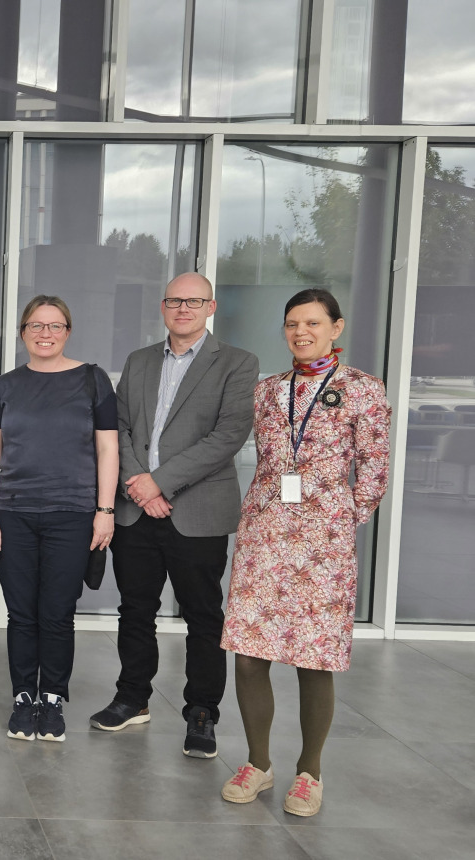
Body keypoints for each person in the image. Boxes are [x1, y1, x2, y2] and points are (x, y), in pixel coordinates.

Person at [220, 288, 391, 817]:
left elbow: (375, 468)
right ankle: (258, 764)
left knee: (314, 658)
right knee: (249, 654)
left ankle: (309, 772)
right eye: (293, 323)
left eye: (313, 323)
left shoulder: (362, 389)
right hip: (264, 537)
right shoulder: (268, 390)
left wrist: (339, 521)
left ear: (335, 328)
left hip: (324, 545)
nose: (301, 332)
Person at [88, 272, 258, 761]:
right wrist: (140, 485)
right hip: (136, 510)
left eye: (194, 301)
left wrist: (159, 482)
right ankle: (132, 698)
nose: (183, 308)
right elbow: (118, 429)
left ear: (211, 307)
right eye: (175, 300)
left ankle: (201, 712)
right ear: (163, 307)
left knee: (203, 615)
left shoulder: (238, 363)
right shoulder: (139, 360)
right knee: (135, 609)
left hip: (197, 511)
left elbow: (228, 436)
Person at [0, 296, 118, 742]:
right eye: (36, 326)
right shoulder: (5, 386)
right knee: (21, 614)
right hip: (13, 513)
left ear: (68, 332)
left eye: (55, 326)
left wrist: (105, 511)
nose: (45, 334)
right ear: (22, 332)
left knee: (57, 614)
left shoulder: (93, 380)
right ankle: (24, 698)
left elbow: (108, 448)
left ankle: (53, 699)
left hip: (73, 514)